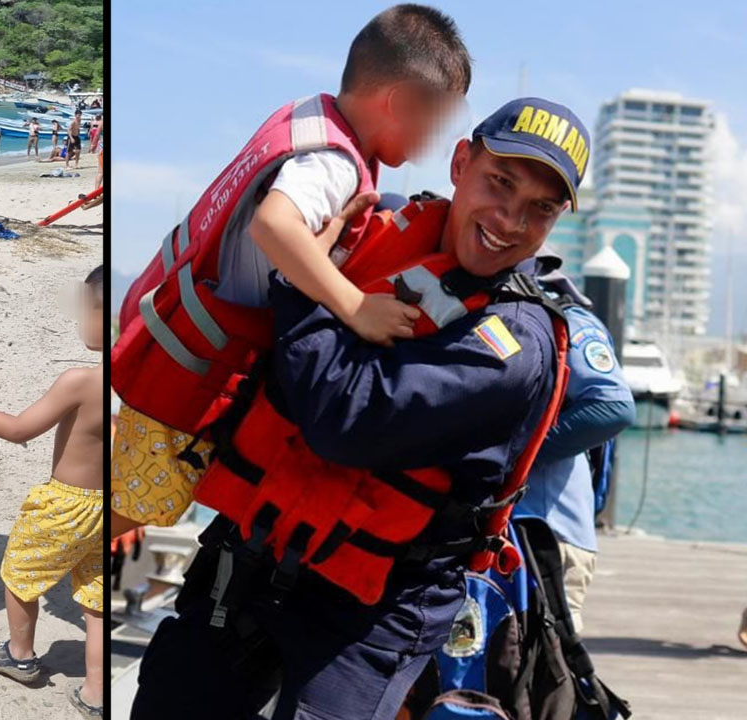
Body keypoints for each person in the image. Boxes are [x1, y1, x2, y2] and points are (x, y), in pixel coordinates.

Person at [130, 96, 589, 720]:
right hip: (256, 556)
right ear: (460, 163)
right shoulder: (385, 228)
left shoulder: (514, 344)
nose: (509, 219)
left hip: (373, 611)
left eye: (540, 208)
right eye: (499, 183)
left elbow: (346, 421)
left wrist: (303, 279)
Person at [110, 4, 471, 540]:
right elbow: (273, 226)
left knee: (128, 495)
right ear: (397, 103)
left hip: (167, 326)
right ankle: (55, 542)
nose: (435, 143)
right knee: (138, 508)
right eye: (437, 122)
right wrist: (355, 308)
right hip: (187, 373)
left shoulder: (309, 115)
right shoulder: (334, 162)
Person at [0, 266, 105, 719]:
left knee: (19, 575)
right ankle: (96, 693)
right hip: (116, 506)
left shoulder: (81, 380)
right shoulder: (143, 385)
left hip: (67, 505)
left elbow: (18, 430)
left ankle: (19, 654)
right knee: (98, 600)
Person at [515, 251, 634, 633]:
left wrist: (513, 456)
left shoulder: (561, 315)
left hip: (546, 536)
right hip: (517, 530)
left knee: (541, 679)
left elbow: (612, 406)